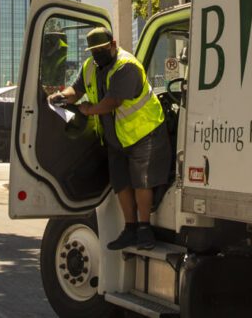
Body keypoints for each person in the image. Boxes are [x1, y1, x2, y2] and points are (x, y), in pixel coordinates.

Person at [48, 26, 170, 250]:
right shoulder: (90, 67)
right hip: (116, 137)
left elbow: (112, 102)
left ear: (113, 45)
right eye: (94, 51)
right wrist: (61, 96)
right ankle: (130, 228)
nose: (98, 55)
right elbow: (76, 90)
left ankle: (144, 229)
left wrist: (87, 110)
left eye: (102, 49)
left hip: (144, 132)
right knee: (121, 182)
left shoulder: (127, 66)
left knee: (142, 181)